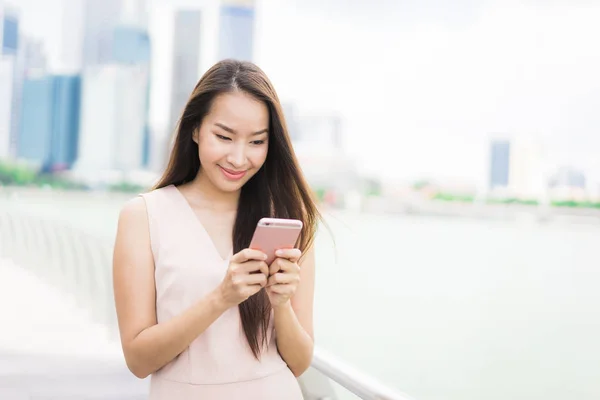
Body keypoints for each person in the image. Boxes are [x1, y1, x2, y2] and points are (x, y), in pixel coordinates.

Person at [112, 59, 320, 399]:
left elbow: (299, 363)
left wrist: (280, 304)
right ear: (195, 129)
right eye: (224, 137)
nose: (239, 158)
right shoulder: (144, 215)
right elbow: (138, 359)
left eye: (256, 142)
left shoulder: (287, 217)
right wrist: (221, 298)